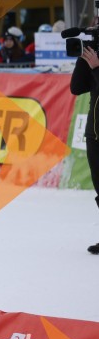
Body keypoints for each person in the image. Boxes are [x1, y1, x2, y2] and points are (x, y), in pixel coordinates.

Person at [69, 37, 99, 255]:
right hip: (94, 133)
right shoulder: (95, 56)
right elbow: (77, 88)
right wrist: (83, 58)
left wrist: (97, 68)